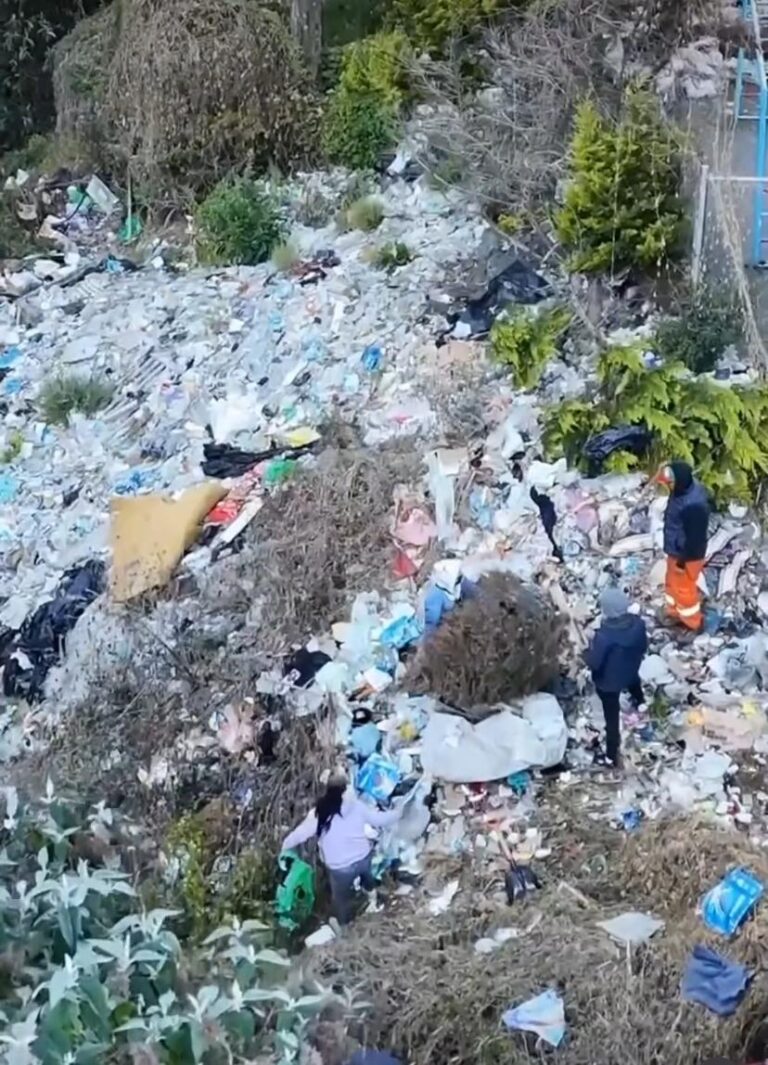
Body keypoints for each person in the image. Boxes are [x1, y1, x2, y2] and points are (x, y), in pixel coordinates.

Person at [281, 776, 400, 925]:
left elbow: (301, 833)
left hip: (339, 867)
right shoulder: (357, 807)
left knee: (341, 898)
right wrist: (397, 813)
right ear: (344, 791)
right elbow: (379, 820)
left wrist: (285, 845)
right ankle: (372, 902)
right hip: (362, 858)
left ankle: (344, 925)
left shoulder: (320, 813)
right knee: (367, 878)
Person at [585, 587, 648, 768]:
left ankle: (611, 756)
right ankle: (640, 702)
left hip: (608, 684)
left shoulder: (604, 636)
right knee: (633, 680)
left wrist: (586, 651)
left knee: (611, 719)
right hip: (631, 669)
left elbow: (594, 663)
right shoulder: (638, 624)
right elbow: (643, 647)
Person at [656, 461, 710, 633]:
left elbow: (695, 540)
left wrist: (682, 562)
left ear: (679, 482)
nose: (668, 486)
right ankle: (673, 612)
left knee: (684, 591)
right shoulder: (682, 490)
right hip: (676, 551)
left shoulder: (693, 506)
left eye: (670, 483)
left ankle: (693, 623)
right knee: (671, 583)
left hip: (687, 557)